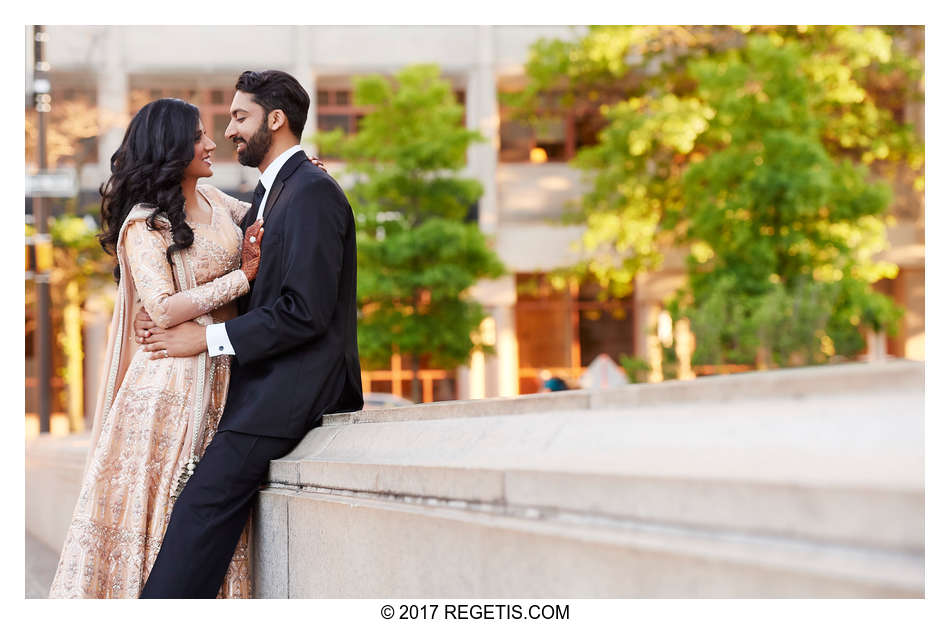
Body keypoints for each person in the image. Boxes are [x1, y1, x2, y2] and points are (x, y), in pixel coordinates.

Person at [135, 70, 364, 598]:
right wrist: (161, 310)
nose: (229, 130)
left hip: (293, 388)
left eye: (240, 117)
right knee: (197, 508)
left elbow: (304, 311)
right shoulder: (272, 193)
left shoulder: (309, 192)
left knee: (201, 508)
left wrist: (205, 339)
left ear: (275, 119)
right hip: (262, 386)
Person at [48, 98, 266, 598]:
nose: (211, 144)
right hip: (167, 388)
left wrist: (302, 175)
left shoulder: (214, 200)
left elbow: (265, 210)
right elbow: (163, 309)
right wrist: (242, 277)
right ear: (171, 148)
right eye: (198, 137)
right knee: (165, 517)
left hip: (220, 372)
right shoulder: (143, 225)